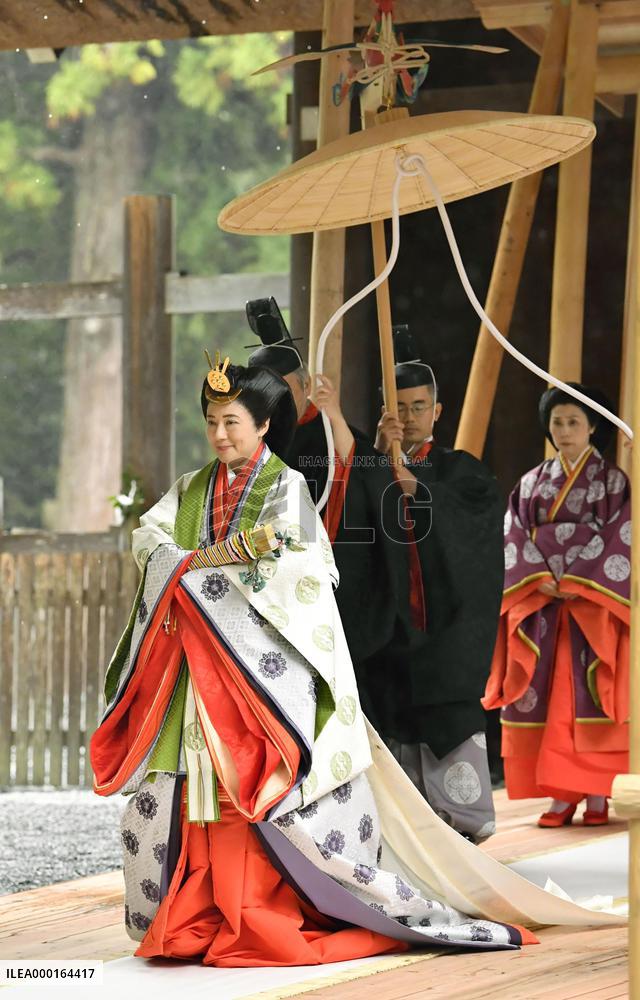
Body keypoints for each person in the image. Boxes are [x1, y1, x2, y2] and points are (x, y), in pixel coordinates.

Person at [89, 354, 604, 966]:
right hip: (196, 680)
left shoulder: (285, 489)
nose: (221, 434)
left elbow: (296, 577)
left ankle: (259, 910)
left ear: (260, 426)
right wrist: (206, 563)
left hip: (262, 682)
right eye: (212, 421)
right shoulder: (194, 489)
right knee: (190, 796)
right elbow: (151, 541)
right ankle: (195, 913)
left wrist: (196, 569)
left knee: (264, 798)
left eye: (232, 421)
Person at [371, 328, 504, 843]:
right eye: (398, 408)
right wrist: (375, 461)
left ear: (438, 411)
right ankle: (408, 849)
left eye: (419, 406)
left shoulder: (461, 472)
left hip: (444, 635)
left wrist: (409, 478)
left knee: (447, 738)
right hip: (391, 637)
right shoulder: (368, 467)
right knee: (392, 734)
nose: (409, 417)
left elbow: (471, 532)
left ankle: (462, 846)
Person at [483, 384, 630, 828]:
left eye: (574, 423)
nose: (564, 431)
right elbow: (514, 536)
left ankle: (598, 793)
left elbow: (620, 533)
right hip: (542, 602)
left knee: (586, 694)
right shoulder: (531, 484)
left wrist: (580, 579)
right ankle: (561, 795)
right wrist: (543, 578)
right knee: (547, 696)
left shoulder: (612, 482)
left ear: (592, 428)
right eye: (557, 423)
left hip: (590, 603)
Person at [246, 298, 411, 668]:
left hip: (339, 571)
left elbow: (367, 476)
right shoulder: (256, 442)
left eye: (285, 388)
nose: (277, 400)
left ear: (306, 386)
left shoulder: (330, 430)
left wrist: (337, 420)